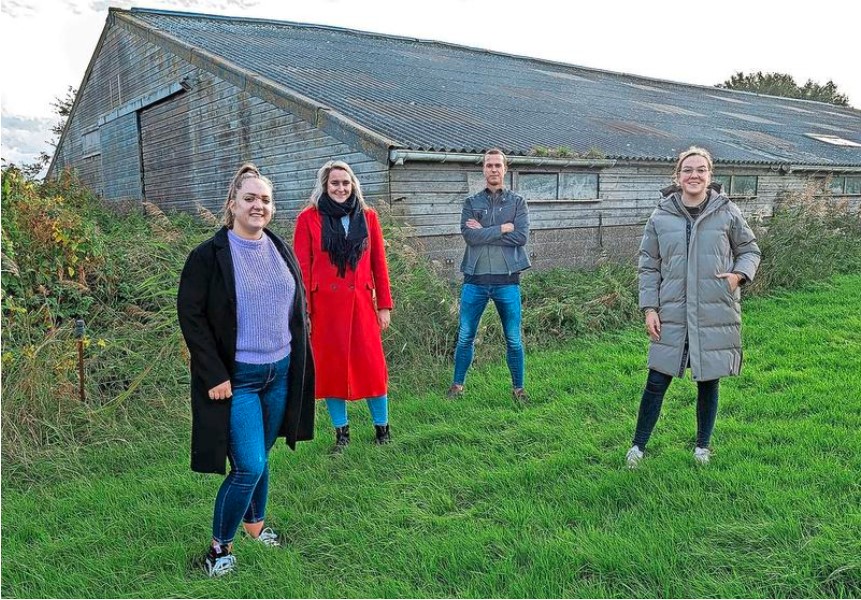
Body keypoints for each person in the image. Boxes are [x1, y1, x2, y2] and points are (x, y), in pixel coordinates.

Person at [177, 164, 315, 577]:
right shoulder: (208, 256)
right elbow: (191, 315)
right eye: (250, 198)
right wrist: (214, 373)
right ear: (233, 204)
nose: (259, 205)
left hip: (281, 371)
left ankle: (255, 525)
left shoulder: (279, 248)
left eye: (266, 200)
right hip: (238, 378)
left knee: (263, 454)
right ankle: (219, 549)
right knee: (249, 465)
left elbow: (296, 305)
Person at [626, 146, 761, 468]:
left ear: (710, 176)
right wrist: (649, 308)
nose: (694, 175)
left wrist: (739, 275)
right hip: (671, 310)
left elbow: (750, 250)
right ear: (678, 176)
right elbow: (648, 266)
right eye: (688, 170)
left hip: (714, 308)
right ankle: (638, 447)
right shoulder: (661, 216)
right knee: (657, 380)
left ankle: (702, 446)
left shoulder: (727, 212)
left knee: (708, 379)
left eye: (701, 170)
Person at [293, 160, 393, 452]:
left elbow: (379, 264)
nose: (340, 188)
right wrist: (305, 312)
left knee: (373, 369)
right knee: (331, 371)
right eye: (334, 183)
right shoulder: (308, 219)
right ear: (325, 185)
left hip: (362, 305)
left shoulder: (369, 217)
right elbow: (302, 270)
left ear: (353, 185)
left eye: (345, 183)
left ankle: (382, 430)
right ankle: (342, 435)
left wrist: (384, 305)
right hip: (325, 309)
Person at [447, 149, 531, 403]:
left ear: (505, 169)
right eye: (489, 165)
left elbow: (521, 237)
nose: (493, 169)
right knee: (465, 336)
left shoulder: (518, 202)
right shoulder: (471, 203)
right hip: (475, 281)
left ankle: (518, 389)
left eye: (498, 165)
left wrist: (486, 231)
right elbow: (470, 237)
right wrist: (502, 229)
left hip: (507, 281)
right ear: (483, 169)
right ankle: (457, 386)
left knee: (514, 339)